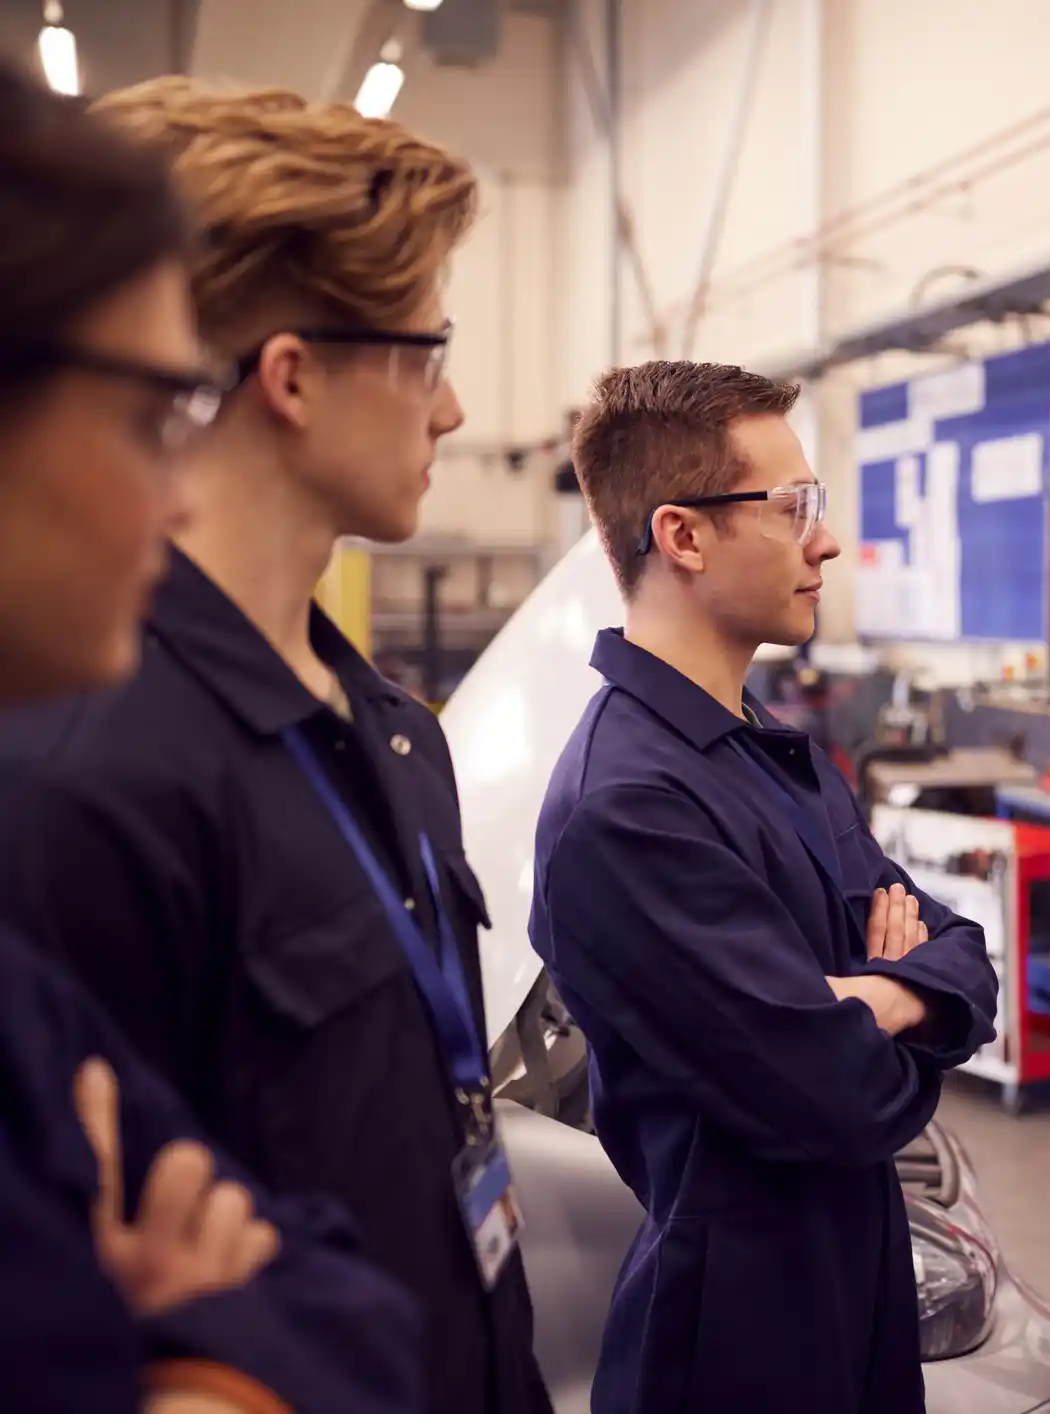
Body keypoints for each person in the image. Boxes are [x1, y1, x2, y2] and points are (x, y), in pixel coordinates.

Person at [0, 78, 549, 1414]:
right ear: (294, 376)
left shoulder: (393, 730)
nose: (456, 406)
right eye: (427, 350)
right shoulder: (86, 777)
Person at [529, 361, 1000, 1413]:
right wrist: (892, 996)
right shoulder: (625, 808)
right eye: (793, 508)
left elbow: (965, 951)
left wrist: (883, 995)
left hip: (853, 1297)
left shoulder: (762, 750)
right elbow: (842, 1097)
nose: (824, 540)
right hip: (733, 1347)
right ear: (683, 536)